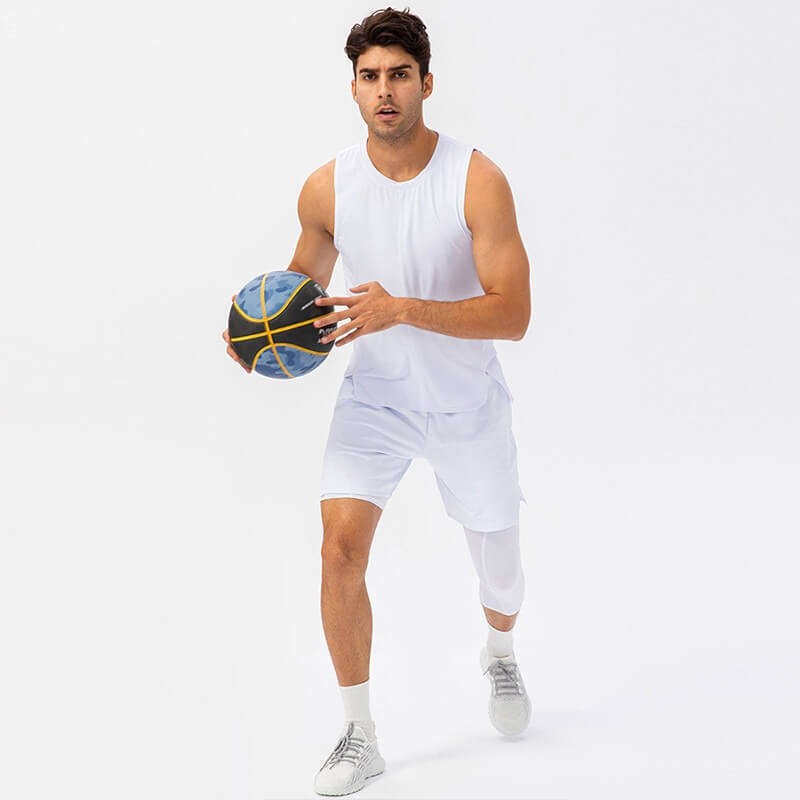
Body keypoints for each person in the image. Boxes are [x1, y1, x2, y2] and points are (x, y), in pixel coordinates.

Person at [222, 7, 532, 796]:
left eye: (399, 75)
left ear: (427, 83)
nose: (385, 91)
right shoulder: (328, 187)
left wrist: (403, 309)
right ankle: (360, 735)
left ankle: (500, 653)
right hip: (376, 402)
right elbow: (302, 295)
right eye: (370, 77)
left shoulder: (476, 180)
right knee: (338, 553)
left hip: (467, 405)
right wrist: (259, 336)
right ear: (353, 88)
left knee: (501, 579)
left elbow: (514, 314)